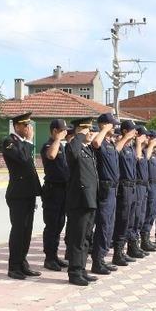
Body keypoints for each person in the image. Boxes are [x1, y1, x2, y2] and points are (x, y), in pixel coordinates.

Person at [2, 112, 43, 280]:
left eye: (29, 125)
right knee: (18, 231)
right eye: (25, 125)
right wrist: (29, 141)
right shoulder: (9, 142)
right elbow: (24, 159)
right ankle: (13, 267)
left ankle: (22, 263)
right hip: (17, 194)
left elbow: (29, 169)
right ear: (16, 126)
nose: (28, 128)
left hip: (28, 193)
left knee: (27, 231)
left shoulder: (22, 143)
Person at [64, 117, 104, 286]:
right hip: (79, 200)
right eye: (88, 129)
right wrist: (79, 135)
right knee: (77, 238)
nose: (91, 132)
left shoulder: (87, 149)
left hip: (90, 199)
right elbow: (73, 153)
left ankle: (81, 269)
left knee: (86, 238)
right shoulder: (73, 146)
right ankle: (74, 273)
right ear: (80, 130)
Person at [91, 113, 122, 274]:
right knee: (103, 225)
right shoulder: (99, 140)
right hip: (104, 189)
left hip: (113, 189)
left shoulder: (110, 142)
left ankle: (102, 257)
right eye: (112, 124)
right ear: (104, 125)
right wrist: (103, 129)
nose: (115, 127)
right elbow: (96, 142)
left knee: (110, 225)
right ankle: (97, 262)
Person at [40, 119, 70, 272]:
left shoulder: (61, 146)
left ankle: (54, 255)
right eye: (62, 130)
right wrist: (57, 139)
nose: (65, 132)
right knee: (52, 225)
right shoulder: (48, 145)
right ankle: (49, 258)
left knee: (59, 224)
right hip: (53, 190)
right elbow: (51, 155)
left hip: (63, 190)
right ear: (54, 131)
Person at [110, 120, 140, 268]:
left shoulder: (130, 147)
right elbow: (115, 152)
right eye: (133, 130)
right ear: (125, 131)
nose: (135, 133)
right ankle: (117, 253)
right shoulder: (119, 145)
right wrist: (125, 138)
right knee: (122, 220)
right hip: (123, 187)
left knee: (130, 220)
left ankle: (125, 250)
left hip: (132, 187)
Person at [129, 127, 152, 257]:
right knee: (136, 216)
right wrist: (138, 143)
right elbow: (137, 159)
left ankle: (137, 243)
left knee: (141, 216)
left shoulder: (143, 151)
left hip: (144, 186)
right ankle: (132, 245)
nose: (148, 138)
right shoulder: (135, 149)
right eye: (145, 136)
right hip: (137, 186)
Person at [141, 130, 156, 253]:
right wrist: (150, 145)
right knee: (148, 212)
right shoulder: (146, 151)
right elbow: (145, 159)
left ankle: (147, 238)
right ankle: (144, 240)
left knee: (153, 212)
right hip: (150, 184)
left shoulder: (154, 152)